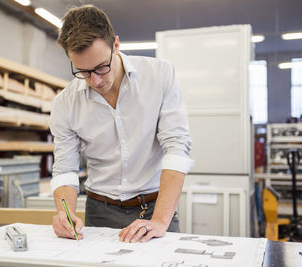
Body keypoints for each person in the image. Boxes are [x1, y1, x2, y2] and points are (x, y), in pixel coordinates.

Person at [50, 5, 194, 243]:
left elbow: (177, 148)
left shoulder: (159, 76)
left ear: (116, 45)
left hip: (155, 208)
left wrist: (160, 220)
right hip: (99, 211)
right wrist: (65, 214)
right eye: (84, 72)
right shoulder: (65, 103)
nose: (95, 81)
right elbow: (65, 168)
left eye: (101, 68)